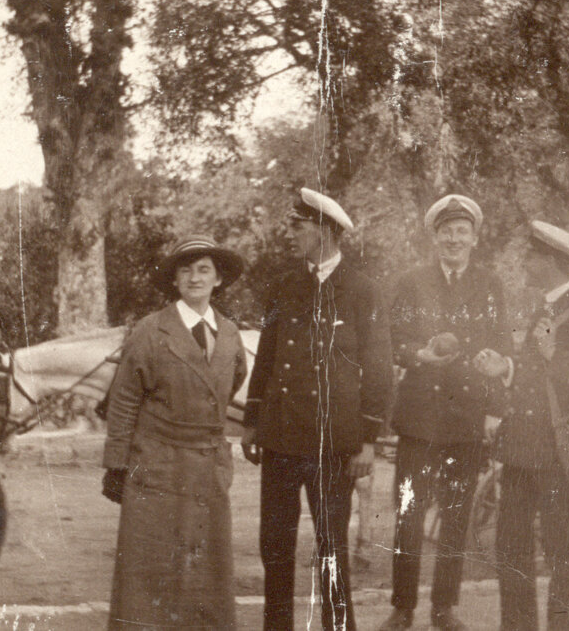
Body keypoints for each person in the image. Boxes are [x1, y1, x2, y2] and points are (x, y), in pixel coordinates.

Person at [241, 187, 394, 631]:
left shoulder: (363, 291)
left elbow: (379, 371)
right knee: (274, 543)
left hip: (334, 443)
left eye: (299, 226)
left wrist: (368, 441)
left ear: (326, 231)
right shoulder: (285, 286)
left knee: (331, 545)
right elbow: (267, 358)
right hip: (282, 437)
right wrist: (252, 422)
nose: (291, 234)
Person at [379, 195, 513, 631]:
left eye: (462, 232)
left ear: (474, 239)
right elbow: (390, 340)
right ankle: (403, 607)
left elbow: (502, 346)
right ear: (434, 236)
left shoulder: (490, 285)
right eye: (446, 231)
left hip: (466, 419)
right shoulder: (410, 281)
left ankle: (444, 607)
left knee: (456, 515)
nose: (454, 239)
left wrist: (493, 411)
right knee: (409, 513)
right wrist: (417, 353)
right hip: (420, 416)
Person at [101, 234, 247, 630]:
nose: (195, 278)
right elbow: (124, 400)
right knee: (150, 567)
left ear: (218, 280)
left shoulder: (230, 333)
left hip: (207, 466)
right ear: (175, 280)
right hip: (157, 467)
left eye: (204, 270)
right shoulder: (150, 331)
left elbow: (230, 381)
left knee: (206, 567)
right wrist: (116, 465)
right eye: (186, 270)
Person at [483, 220, 569, 631]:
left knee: (562, 552)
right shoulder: (542, 306)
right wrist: (503, 370)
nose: (525, 263)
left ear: (551, 262)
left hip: (557, 452)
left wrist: (556, 355)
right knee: (511, 549)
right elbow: (530, 375)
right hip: (521, 448)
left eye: (532, 257)